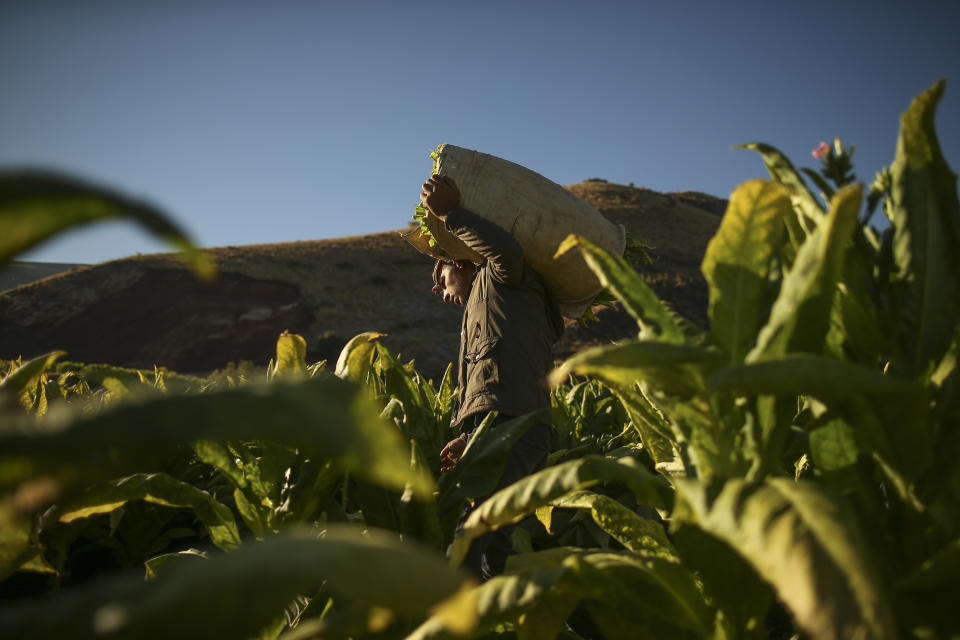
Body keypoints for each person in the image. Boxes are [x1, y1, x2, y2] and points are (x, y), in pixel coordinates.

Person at [420, 173, 564, 580]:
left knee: (474, 530)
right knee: (493, 541)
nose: (436, 289)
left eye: (439, 275)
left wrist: (451, 214)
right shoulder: (494, 305)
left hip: (512, 424)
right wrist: (468, 435)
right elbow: (497, 372)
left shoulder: (501, 280)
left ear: (460, 260)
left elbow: (505, 252)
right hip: (507, 422)